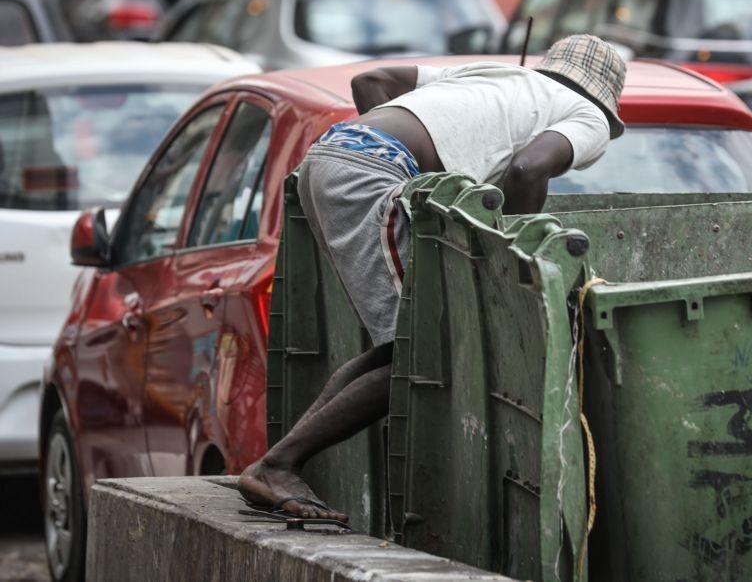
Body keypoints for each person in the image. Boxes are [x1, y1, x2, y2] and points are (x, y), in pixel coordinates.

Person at [238, 34, 627, 520]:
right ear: (605, 100)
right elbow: (530, 170)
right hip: (371, 173)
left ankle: (278, 462)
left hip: (332, 155)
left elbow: (370, 80)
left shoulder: (490, 73)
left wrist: (410, 172)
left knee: (397, 346)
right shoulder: (585, 115)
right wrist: (512, 254)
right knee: (425, 350)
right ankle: (278, 465)